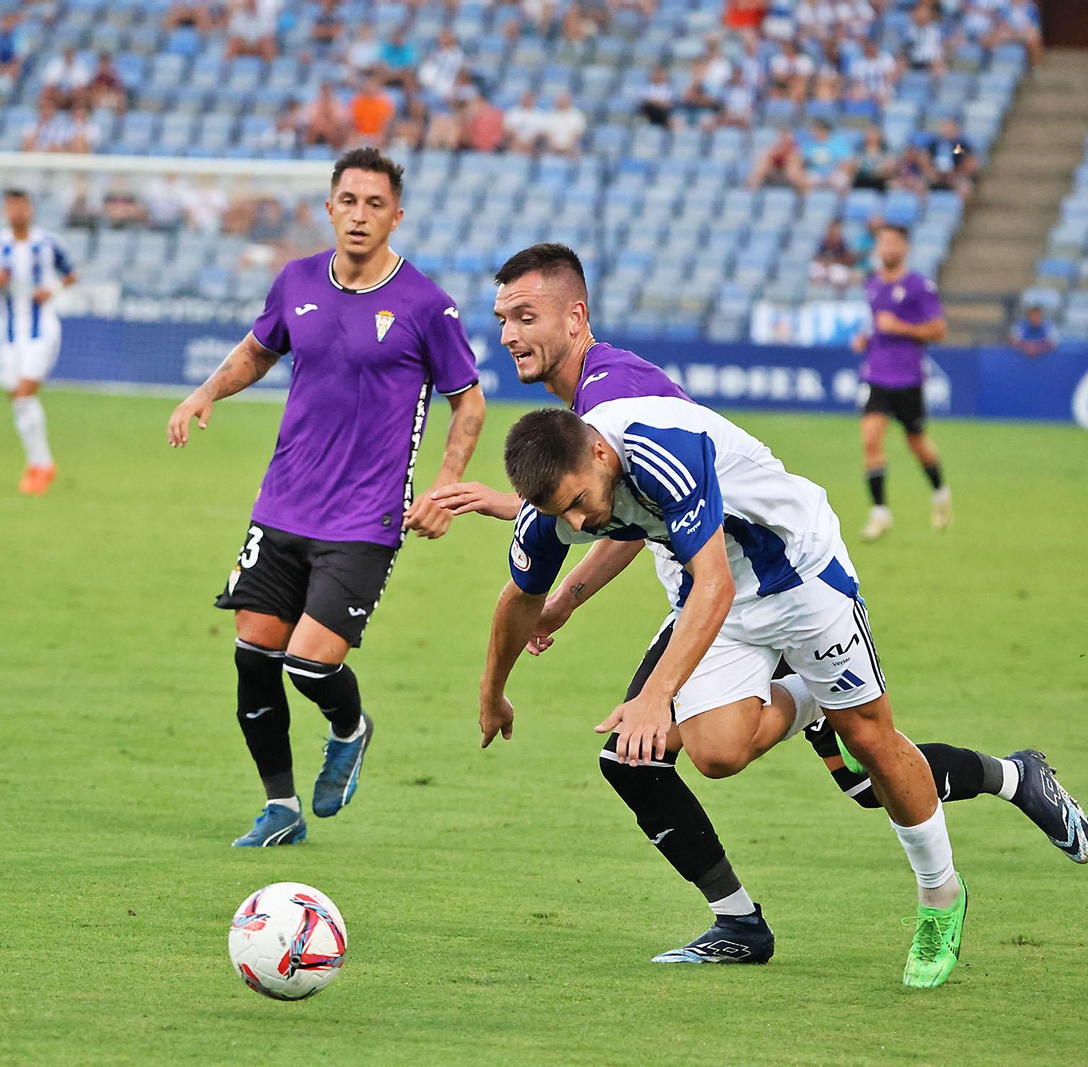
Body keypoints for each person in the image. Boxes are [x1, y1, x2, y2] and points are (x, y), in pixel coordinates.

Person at [463, 245, 975, 987]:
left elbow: (705, 576)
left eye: (525, 315)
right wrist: (495, 687)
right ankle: (804, 706)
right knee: (717, 753)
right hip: (711, 582)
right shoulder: (570, 468)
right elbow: (524, 594)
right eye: (502, 317)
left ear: (575, 316)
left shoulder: (647, 432)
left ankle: (940, 899)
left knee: (871, 739)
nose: (509, 333)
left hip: (794, 569)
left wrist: (652, 693)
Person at [163, 148, 486, 848]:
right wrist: (205, 392)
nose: (361, 214)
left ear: (396, 216)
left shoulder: (426, 305)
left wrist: (443, 485)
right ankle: (279, 807)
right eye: (349, 200)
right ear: (330, 206)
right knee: (254, 655)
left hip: (365, 517)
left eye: (376, 204)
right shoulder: (297, 280)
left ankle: (350, 727)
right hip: (282, 503)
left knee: (309, 660)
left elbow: (469, 403)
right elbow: (257, 349)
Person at [0, 189, 77, 495]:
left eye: (22, 206)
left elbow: (71, 275)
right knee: (18, 398)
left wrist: (51, 290)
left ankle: (41, 465)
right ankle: (39, 463)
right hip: (9, 332)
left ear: (31, 208)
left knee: (25, 394)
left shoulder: (48, 243)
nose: (17, 212)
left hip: (42, 330)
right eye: (11, 206)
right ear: (5, 210)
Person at [853, 223, 950, 541]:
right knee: (870, 439)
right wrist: (867, 338)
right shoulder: (873, 286)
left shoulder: (919, 286)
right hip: (877, 376)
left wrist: (899, 327)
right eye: (883, 242)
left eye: (894, 242)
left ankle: (940, 493)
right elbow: (878, 326)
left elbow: (937, 330)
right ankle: (880, 513)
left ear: (905, 248)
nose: (888, 248)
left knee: (916, 443)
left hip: (908, 379)